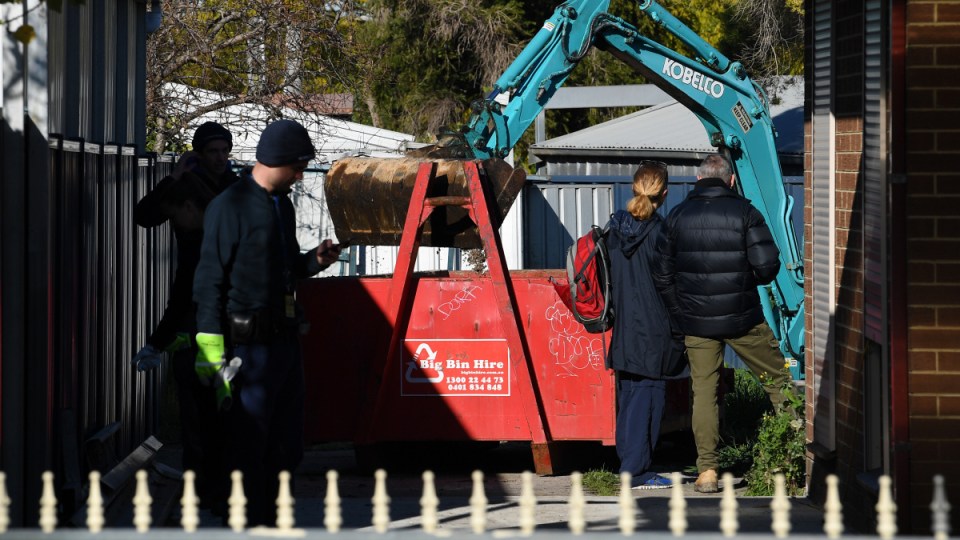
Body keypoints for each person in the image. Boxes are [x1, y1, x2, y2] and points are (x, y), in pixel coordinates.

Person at [192, 118, 342, 526]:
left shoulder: (282, 204)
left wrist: (315, 260)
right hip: (248, 349)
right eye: (296, 167)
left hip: (284, 344)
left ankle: (275, 518)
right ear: (277, 161)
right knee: (248, 443)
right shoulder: (231, 206)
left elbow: (288, 265)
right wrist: (210, 350)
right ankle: (245, 521)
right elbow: (209, 280)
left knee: (287, 444)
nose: (299, 175)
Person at [653, 153, 788, 494]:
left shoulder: (677, 216)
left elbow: (662, 273)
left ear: (699, 180)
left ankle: (708, 471)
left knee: (704, 393)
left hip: (697, 323)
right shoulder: (746, 212)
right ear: (730, 180)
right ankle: (788, 459)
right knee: (778, 384)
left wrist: (679, 311)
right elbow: (767, 267)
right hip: (744, 318)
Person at [132, 121, 239, 508]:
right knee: (195, 409)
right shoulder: (186, 184)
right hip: (191, 299)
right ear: (199, 153)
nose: (219, 158)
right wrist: (171, 179)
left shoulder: (235, 187)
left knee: (223, 408)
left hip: (224, 303)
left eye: (224, 151)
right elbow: (145, 216)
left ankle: (221, 488)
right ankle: (203, 489)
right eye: (212, 151)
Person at [605, 161, 688, 490]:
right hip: (654, 332)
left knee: (629, 399)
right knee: (647, 399)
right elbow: (670, 286)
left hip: (624, 328)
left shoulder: (616, 229)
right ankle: (636, 471)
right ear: (664, 194)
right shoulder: (661, 234)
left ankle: (628, 463)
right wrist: (682, 325)